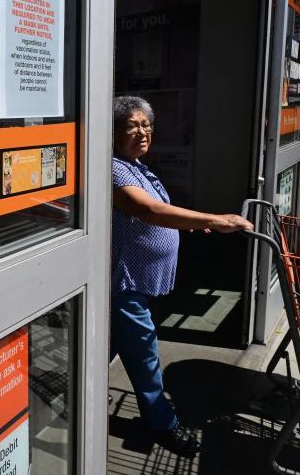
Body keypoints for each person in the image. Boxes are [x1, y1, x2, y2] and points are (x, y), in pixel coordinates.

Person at [110, 95, 253, 458]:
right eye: (132, 126)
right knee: (144, 353)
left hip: (137, 282)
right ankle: (163, 423)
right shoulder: (112, 168)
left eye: (146, 125)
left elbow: (162, 211)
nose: (142, 132)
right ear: (112, 132)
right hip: (122, 281)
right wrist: (215, 220)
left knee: (123, 346)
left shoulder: (136, 165)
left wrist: (187, 225)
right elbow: (147, 210)